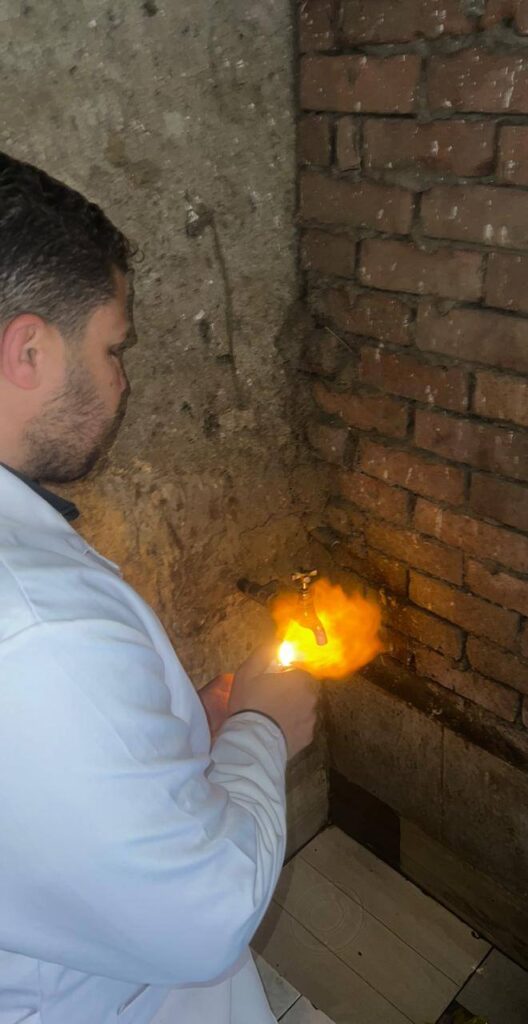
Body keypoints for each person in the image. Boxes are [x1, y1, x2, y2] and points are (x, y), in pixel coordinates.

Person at [0, 152, 318, 1024]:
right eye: (113, 349)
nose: (122, 381)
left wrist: (180, 739)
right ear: (29, 350)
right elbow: (206, 917)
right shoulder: (38, 631)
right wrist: (260, 729)